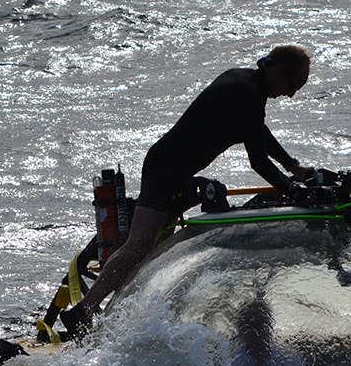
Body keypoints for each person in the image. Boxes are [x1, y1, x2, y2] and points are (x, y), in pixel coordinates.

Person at [61, 45, 313, 333]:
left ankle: (100, 311)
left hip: (175, 171)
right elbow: (258, 161)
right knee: (139, 245)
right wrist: (292, 188)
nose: (291, 94)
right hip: (165, 168)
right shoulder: (246, 93)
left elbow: (259, 133)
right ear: (276, 68)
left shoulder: (247, 83)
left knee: (149, 247)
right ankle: (86, 310)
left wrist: (292, 166)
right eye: (293, 85)